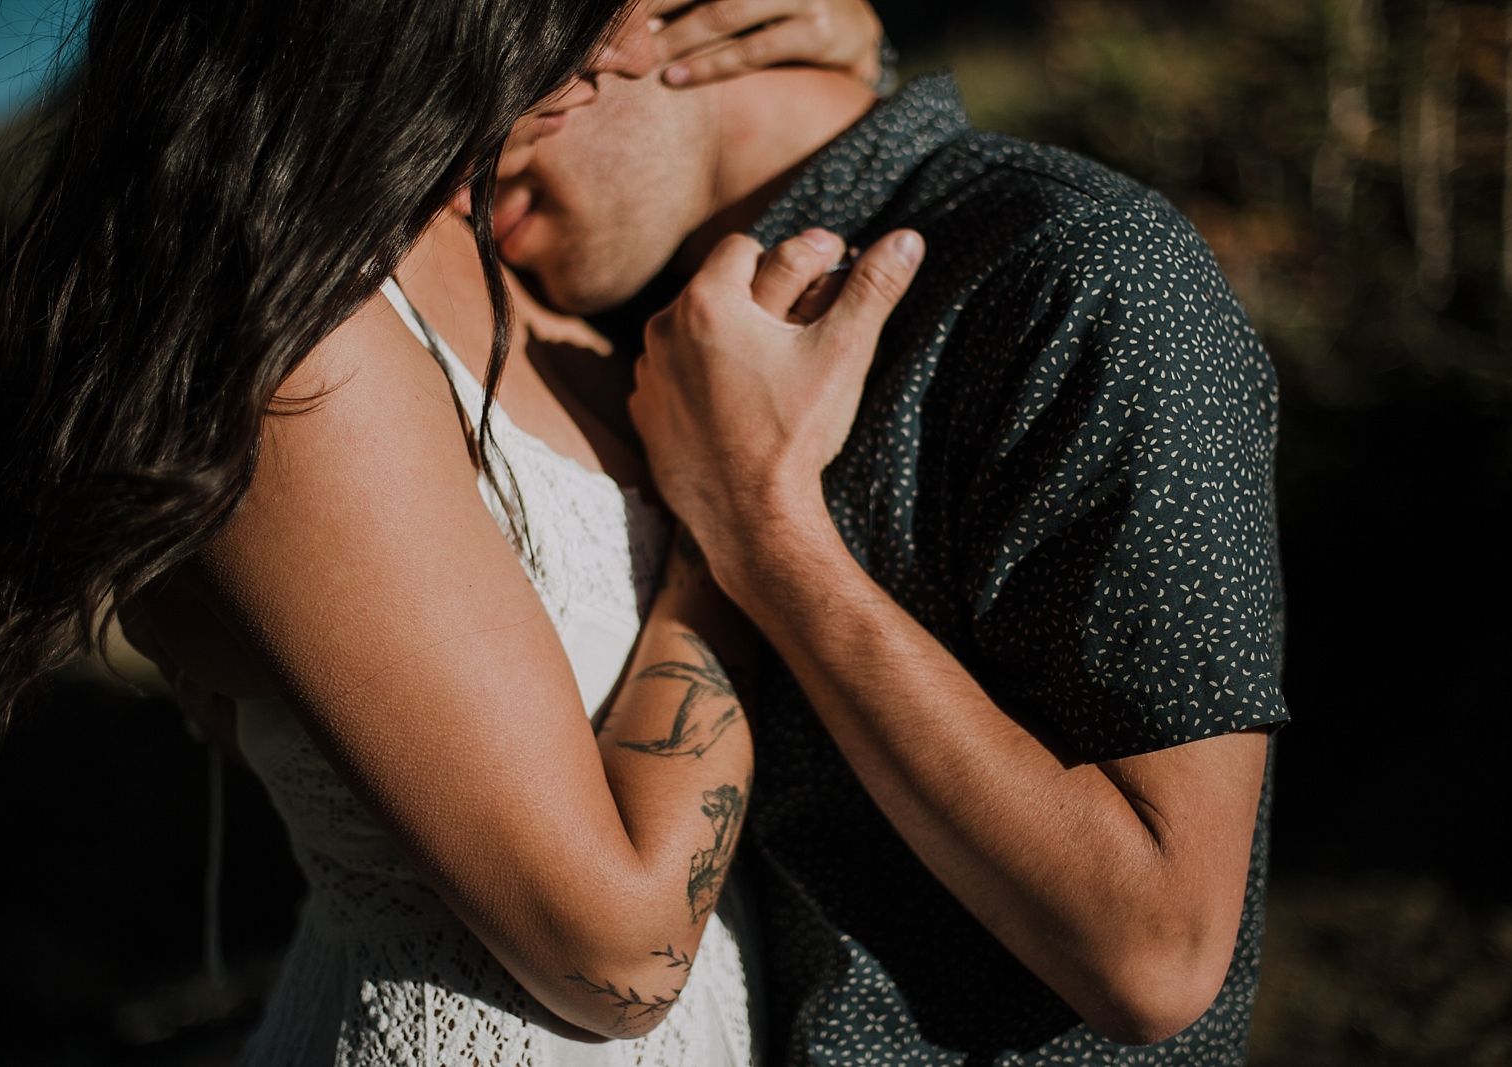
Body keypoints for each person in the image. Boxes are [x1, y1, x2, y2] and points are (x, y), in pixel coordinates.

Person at [0, 0, 910, 1064]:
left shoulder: (514, 262)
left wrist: (845, 76)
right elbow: (622, 957)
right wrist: (732, 509)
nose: (630, 45)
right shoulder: (303, 364)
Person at [496, 41, 1289, 1067]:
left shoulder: (1080, 269)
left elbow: (1155, 952)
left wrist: (761, 526)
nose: (443, 163)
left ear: (627, 29)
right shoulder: (628, 321)